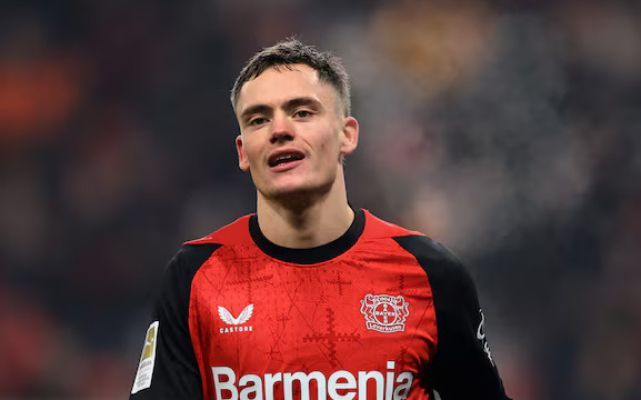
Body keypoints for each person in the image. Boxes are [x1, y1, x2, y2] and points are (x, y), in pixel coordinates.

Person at [129, 38, 511, 400]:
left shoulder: (429, 274)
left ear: (347, 134)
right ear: (243, 152)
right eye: (259, 119)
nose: (280, 130)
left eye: (302, 112)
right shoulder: (195, 277)